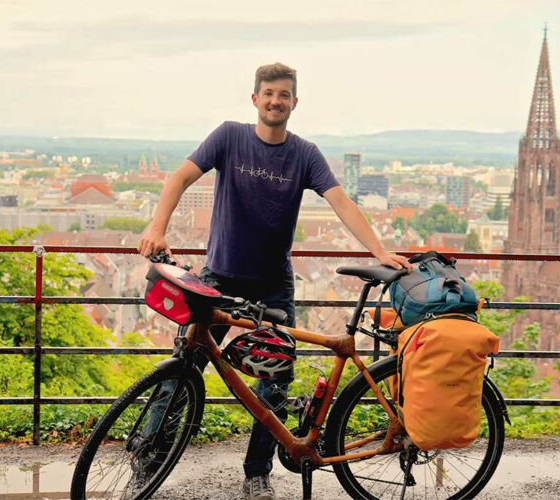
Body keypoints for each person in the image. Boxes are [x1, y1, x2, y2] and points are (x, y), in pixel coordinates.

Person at [138, 62, 410, 500]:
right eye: (268, 93)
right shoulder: (229, 136)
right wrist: (157, 227)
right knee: (182, 367)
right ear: (254, 98)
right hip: (219, 277)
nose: (275, 101)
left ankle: (257, 473)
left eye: (283, 95)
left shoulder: (304, 153)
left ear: (294, 103)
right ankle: (147, 459)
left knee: (275, 381)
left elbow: (341, 203)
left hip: (273, 285)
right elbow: (181, 177)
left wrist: (379, 251)